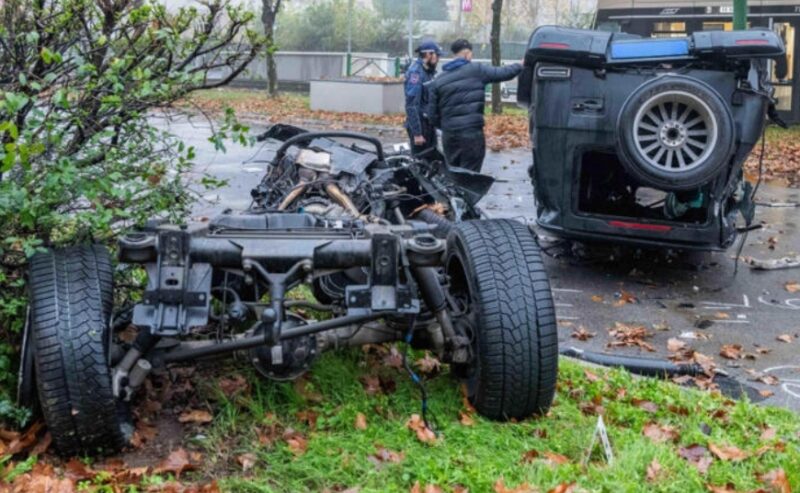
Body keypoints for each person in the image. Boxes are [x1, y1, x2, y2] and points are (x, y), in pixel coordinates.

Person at [428, 39, 523, 172]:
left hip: (449, 135)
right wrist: (520, 65)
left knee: (454, 173)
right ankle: (467, 193)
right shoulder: (476, 70)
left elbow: (432, 115)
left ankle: (455, 193)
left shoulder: (439, 80)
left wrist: (447, 125)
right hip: (471, 133)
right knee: (470, 174)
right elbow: (503, 73)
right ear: (467, 54)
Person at [404, 41, 441, 156]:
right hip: (421, 126)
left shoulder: (428, 71)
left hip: (428, 124)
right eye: (437, 55)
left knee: (432, 161)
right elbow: (411, 104)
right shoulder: (416, 73)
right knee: (421, 164)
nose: (438, 59)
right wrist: (417, 133)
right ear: (429, 54)